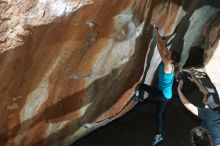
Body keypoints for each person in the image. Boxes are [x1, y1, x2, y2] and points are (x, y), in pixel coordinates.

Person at [133, 25, 180, 145]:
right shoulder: (171, 63)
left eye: (169, 54)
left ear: (171, 59)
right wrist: (157, 32)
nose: (168, 53)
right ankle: (159, 135)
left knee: (142, 86)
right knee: (158, 115)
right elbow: (164, 47)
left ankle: (140, 98)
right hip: (167, 95)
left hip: (163, 94)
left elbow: (160, 49)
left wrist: (156, 35)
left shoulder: (167, 64)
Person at [177, 71, 220, 146]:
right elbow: (206, 93)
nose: (203, 96)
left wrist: (179, 90)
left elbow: (189, 106)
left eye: (204, 97)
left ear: (206, 102)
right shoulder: (216, 107)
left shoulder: (208, 113)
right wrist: (195, 80)